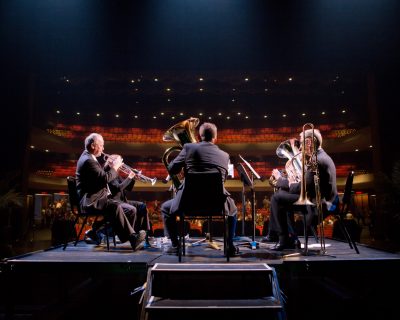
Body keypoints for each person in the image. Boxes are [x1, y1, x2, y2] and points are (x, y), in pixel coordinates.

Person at [160, 122, 239, 256]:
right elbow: (221, 182)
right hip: (216, 205)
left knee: (165, 208)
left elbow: (173, 169)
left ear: (198, 136)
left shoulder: (188, 148)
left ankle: (175, 246)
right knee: (233, 209)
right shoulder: (225, 155)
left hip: (187, 205)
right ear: (216, 137)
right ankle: (229, 246)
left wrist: (185, 166)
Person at [268, 128, 337, 250]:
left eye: (302, 143)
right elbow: (305, 185)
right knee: (282, 195)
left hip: (318, 205)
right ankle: (291, 238)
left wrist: (284, 181)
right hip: (318, 199)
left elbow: (302, 188)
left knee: (277, 198)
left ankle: (284, 240)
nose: (300, 148)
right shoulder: (321, 156)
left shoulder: (317, 161)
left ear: (309, 142)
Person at [75, 132, 146, 251]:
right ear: (93, 145)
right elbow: (104, 178)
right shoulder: (88, 160)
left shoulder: (89, 158)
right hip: (91, 200)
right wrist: (115, 167)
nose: (103, 148)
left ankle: (115, 234)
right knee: (114, 207)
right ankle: (132, 238)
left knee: (127, 209)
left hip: (98, 198)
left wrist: (130, 176)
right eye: (101, 145)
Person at [107, 171, 151, 246]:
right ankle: (132, 236)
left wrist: (133, 178)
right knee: (132, 209)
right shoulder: (109, 173)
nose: (121, 163)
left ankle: (144, 234)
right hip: (115, 202)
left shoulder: (116, 173)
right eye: (120, 160)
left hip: (123, 201)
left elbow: (128, 187)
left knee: (142, 206)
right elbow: (119, 187)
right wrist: (129, 177)